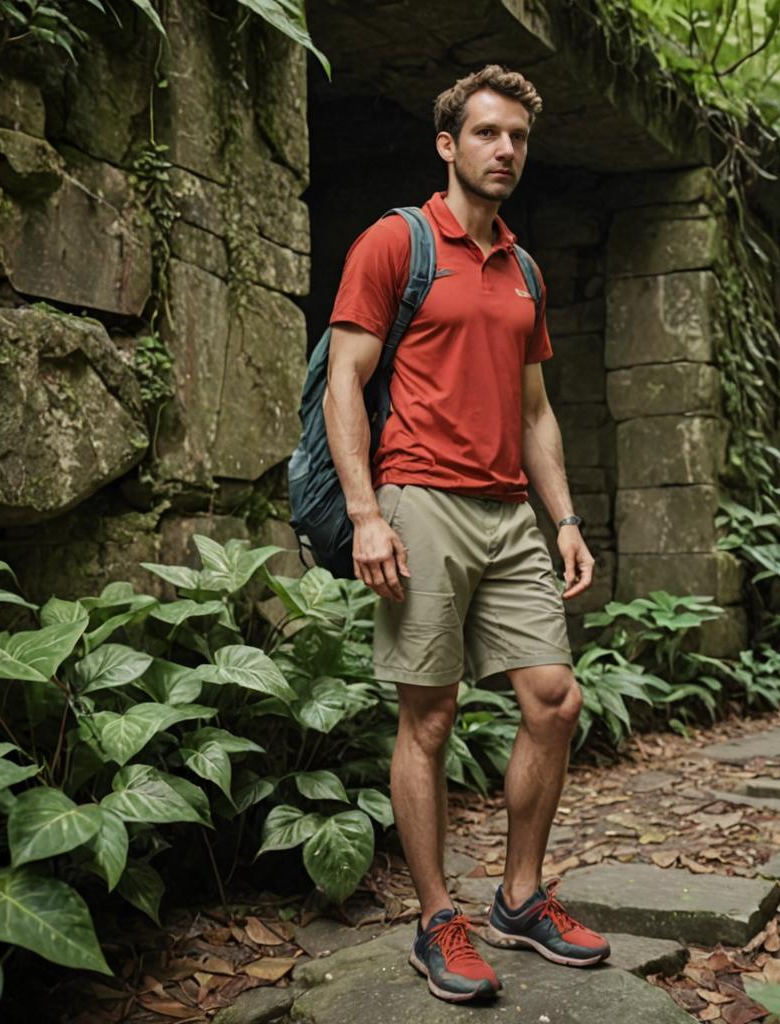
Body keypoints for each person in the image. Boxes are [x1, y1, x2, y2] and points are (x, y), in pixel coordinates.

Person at [323, 64, 610, 1004]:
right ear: (448, 145)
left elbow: (535, 414)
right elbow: (344, 384)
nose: (505, 151)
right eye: (487, 134)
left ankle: (519, 901)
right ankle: (436, 915)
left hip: (508, 513)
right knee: (431, 716)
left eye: (518, 138)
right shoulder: (395, 243)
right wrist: (367, 513)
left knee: (554, 702)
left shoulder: (522, 267)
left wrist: (563, 518)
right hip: (419, 501)